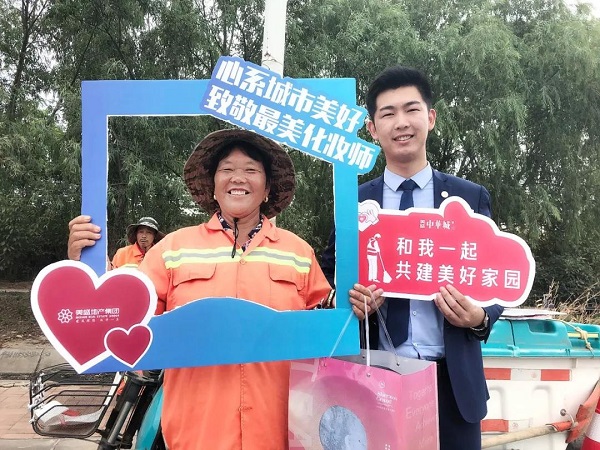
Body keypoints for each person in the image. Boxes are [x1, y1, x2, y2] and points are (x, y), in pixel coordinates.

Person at [67, 129, 334, 450]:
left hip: (279, 432)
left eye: (251, 170)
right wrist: (85, 266)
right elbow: (123, 318)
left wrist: (357, 304)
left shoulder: (298, 252)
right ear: (213, 185)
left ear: (267, 189)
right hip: (195, 432)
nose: (238, 177)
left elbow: (328, 336)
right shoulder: (173, 249)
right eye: (227, 169)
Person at [321, 65, 504, 450]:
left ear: (430, 118)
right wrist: (348, 301)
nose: (401, 122)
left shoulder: (469, 197)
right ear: (373, 128)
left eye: (411, 109)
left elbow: (498, 273)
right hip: (374, 381)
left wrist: (479, 317)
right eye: (388, 113)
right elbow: (327, 280)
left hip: (452, 387)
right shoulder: (354, 201)